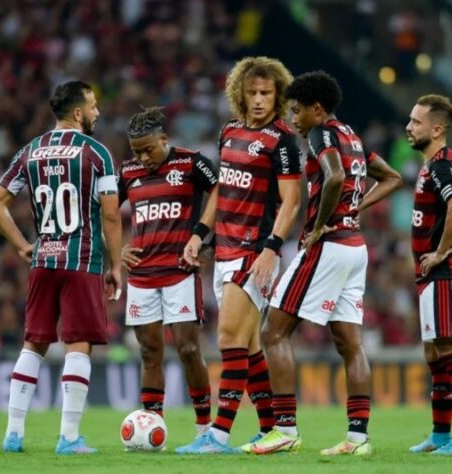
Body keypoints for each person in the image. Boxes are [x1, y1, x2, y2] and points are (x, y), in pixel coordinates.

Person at [246, 71, 403, 456]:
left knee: (273, 332)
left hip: (329, 245)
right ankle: (358, 438)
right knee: (350, 344)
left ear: (318, 109)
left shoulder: (324, 134)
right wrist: (354, 209)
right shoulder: (351, 135)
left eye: (297, 111)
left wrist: (318, 227)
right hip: (355, 247)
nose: (294, 120)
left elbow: (333, 177)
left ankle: (284, 429)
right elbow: (392, 177)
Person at [0, 80, 122, 454]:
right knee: (78, 346)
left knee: (33, 344)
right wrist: (116, 267)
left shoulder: (30, 151)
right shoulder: (97, 154)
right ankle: (70, 437)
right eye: (92, 106)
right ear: (77, 112)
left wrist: (21, 246)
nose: (97, 112)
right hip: (82, 260)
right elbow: (111, 215)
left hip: (43, 259)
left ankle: (13, 434)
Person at [176, 56, 302, 454]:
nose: (260, 100)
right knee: (247, 348)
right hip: (225, 249)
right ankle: (271, 430)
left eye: (267, 93)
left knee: (228, 336)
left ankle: (218, 435)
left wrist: (271, 248)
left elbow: (292, 201)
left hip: (254, 250)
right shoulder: (229, 132)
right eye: (253, 93)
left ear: (278, 95)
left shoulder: (282, 139)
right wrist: (200, 232)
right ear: (240, 95)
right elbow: (223, 191)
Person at [118, 106, 218, 440]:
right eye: (137, 151)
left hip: (179, 271)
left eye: (148, 149)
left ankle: (205, 429)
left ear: (164, 138)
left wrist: (199, 234)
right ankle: (153, 426)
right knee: (149, 352)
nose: (143, 157)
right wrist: (117, 249)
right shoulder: (128, 172)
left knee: (189, 350)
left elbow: (219, 190)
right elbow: (103, 212)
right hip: (142, 275)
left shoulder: (191, 162)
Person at [405, 94, 452, 455]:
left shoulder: (442, 166)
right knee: (435, 353)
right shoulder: (433, 163)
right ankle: (439, 435)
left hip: (447, 270)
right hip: (433, 274)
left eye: (416, 122)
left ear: (436, 129)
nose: (408, 126)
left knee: (450, 348)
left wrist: (441, 251)